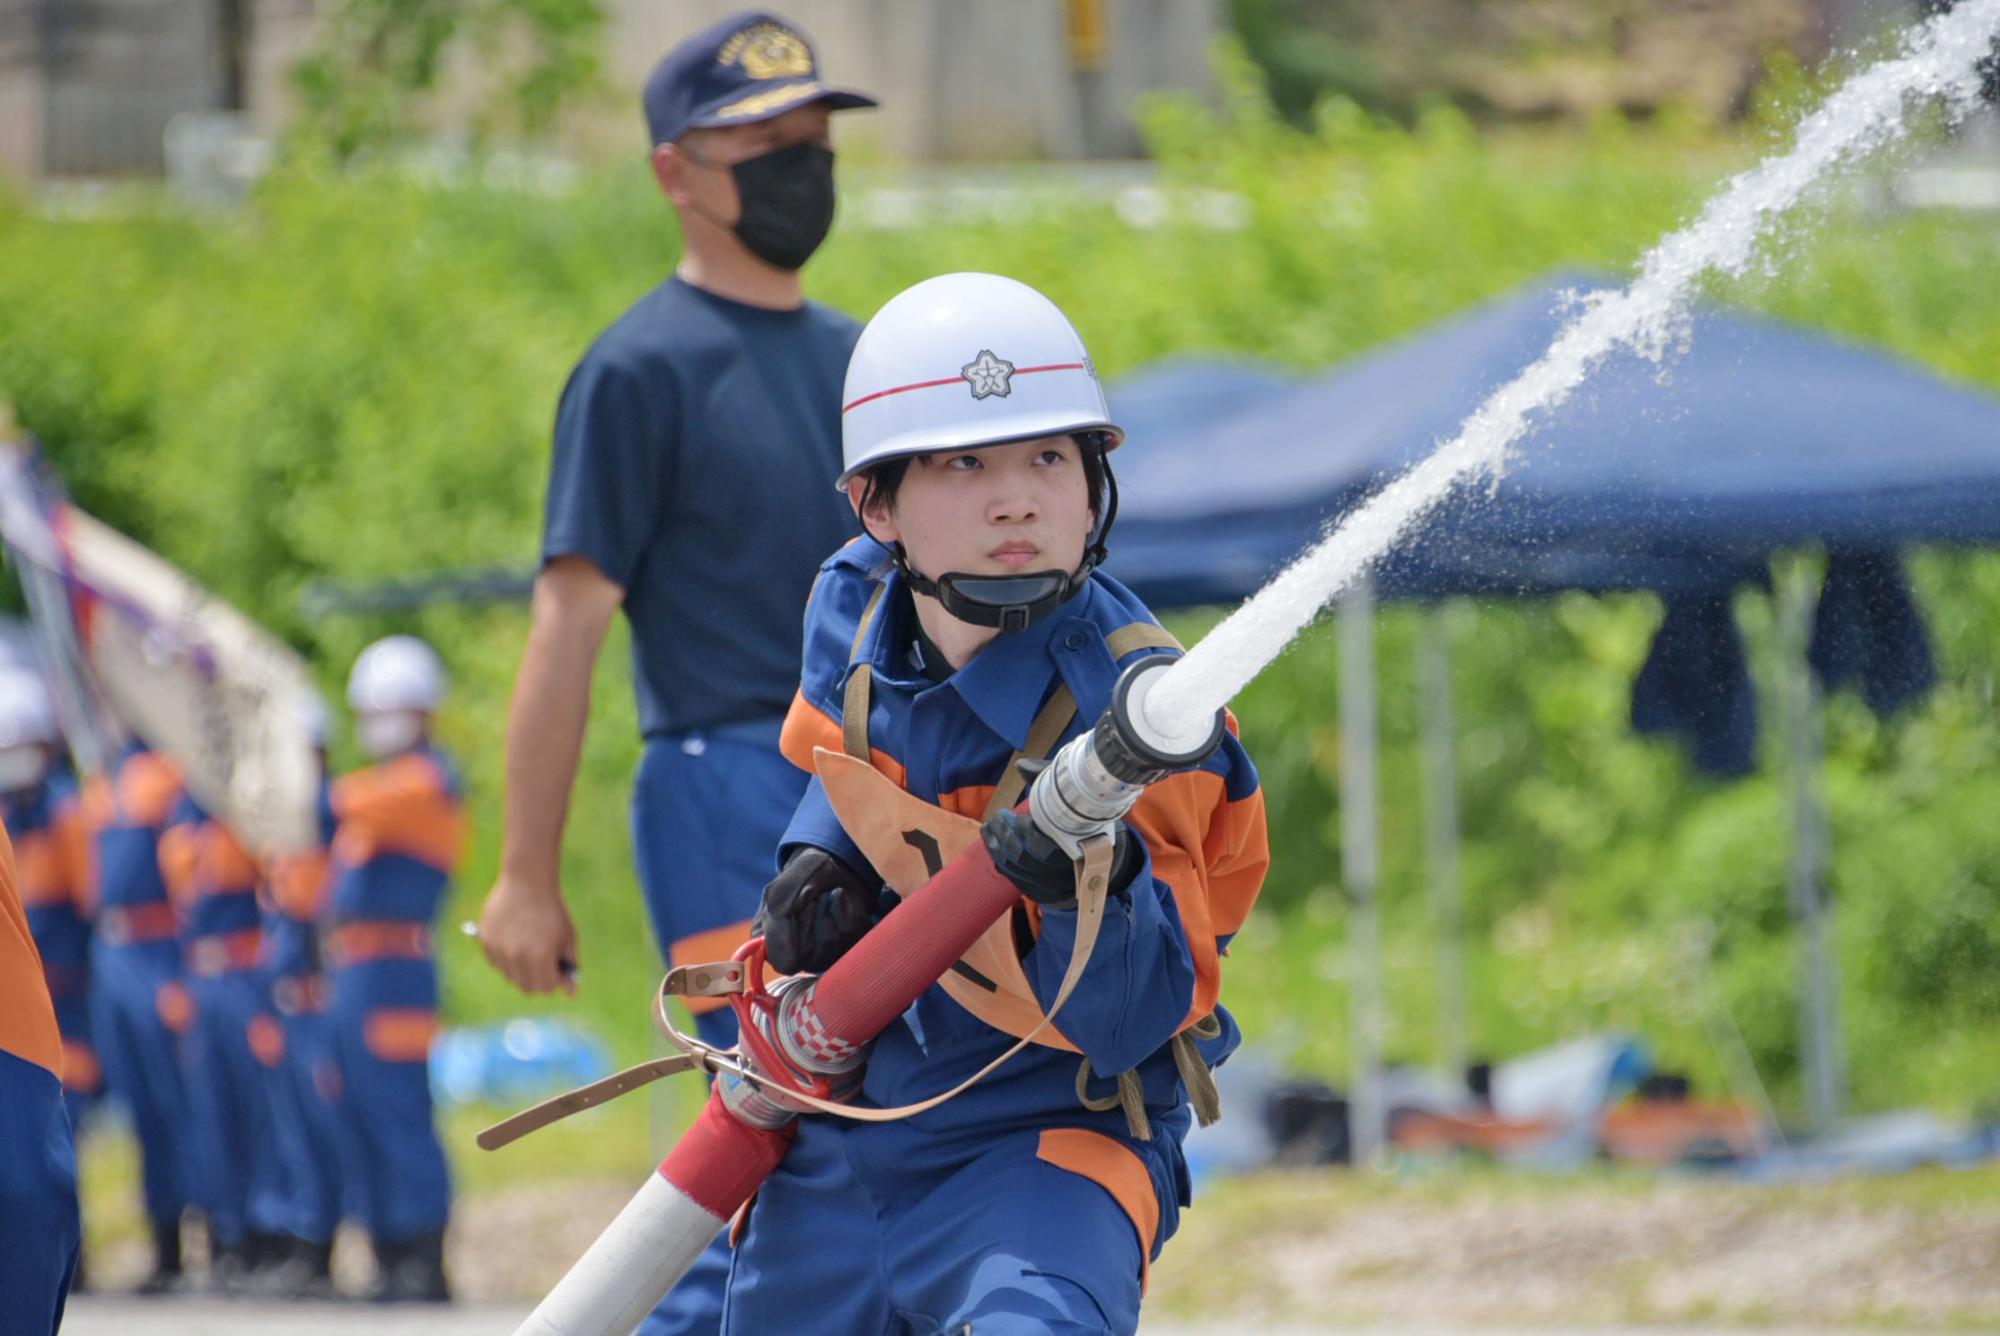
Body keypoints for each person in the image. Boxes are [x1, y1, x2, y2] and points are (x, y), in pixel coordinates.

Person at [725, 273, 1271, 1334]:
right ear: (873, 504)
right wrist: (821, 855)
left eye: (1047, 458)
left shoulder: (1147, 717)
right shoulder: (851, 607)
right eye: (963, 462)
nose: (1016, 498)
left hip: (1043, 1140)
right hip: (854, 1120)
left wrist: (1084, 885)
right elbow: (835, 762)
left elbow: (1128, 1019)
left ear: (1091, 484)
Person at [475, 14, 874, 1331]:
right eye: (762, 143)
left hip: (878, 797)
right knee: (757, 1136)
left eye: (812, 141)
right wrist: (527, 875)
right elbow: (567, 628)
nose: (798, 165)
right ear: (676, 173)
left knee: (880, 1143)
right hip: (724, 792)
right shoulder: (639, 369)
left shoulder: (865, 364)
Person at [326, 635, 466, 1302]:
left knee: (399, 1113)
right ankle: (384, 1249)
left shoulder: (428, 780)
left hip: (397, 968)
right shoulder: (380, 790)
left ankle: (422, 1256)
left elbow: (338, 803)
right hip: (356, 967)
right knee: (357, 1109)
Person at [159, 796, 293, 1290]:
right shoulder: (181, 819)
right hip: (201, 979)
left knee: (259, 1115)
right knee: (208, 1118)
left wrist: (271, 994)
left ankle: (271, 1237)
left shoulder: (249, 813)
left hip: (245, 978)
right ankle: (226, 1240)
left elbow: (279, 903)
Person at [81, 739, 196, 1293]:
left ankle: (222, 1242)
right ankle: (165, 1247)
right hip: (112, 953)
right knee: (140, 1112)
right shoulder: (103, 775)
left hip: (158, 949)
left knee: (182, 1106)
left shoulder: (174, 772)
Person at [0, 669, 94, 1302]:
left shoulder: (65, 812)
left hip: (65, 996)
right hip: (34, 998)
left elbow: (93, 904)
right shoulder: (17, 816)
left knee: (51, 1151)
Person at [256, 694, 344, 1297]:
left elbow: (323, 907)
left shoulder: (326, 811)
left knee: (319, 1123)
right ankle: (300, 1242)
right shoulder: (281, 816)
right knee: (287, 1125)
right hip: (286, 991)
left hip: (320, 993)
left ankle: (320, 1248)